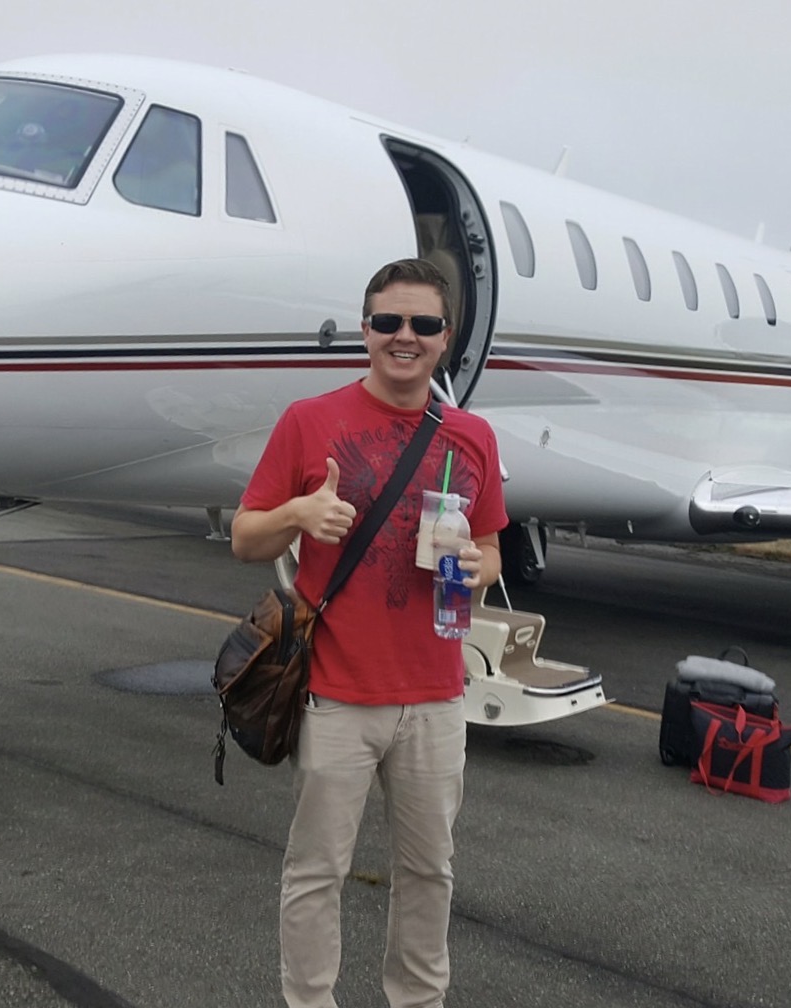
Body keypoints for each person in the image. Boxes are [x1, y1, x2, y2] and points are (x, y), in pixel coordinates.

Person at [231, 258, 506, 1008]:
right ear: (365, 330)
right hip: (337, 695)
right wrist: (298, 516)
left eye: (422, 324)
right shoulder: (308, 421)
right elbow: (246, 537)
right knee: (316, 871)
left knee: (429, 873)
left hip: (437, 700)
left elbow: (492, 547)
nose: (404, 337)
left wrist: (474, 566)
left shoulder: (472, 436)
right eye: (388, 322)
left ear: (445, 338)